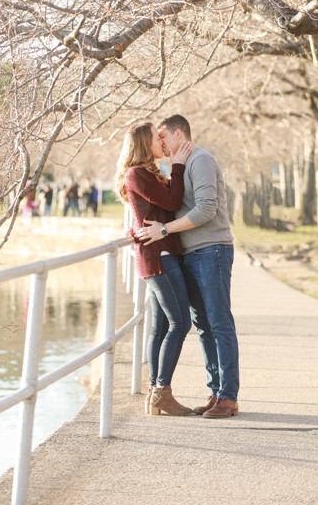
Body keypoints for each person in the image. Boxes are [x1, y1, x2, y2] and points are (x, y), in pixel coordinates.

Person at [136, 114, 241, 419]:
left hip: (212, 250)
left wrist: (166, 231)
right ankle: (215, 391)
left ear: (178, 134)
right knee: (203, 325)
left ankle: (229, 396)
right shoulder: (177, 166)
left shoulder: (201, 160)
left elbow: (207, 209)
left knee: (219, 322)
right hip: (190, 254)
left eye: (163, 137)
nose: (161, 143)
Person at [114, 122, 195, 416]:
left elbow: (158, 211)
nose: (162, 140)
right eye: (156, 137)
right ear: (143, 144)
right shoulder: (138, 174)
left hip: (161, 254)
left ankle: (154, 394)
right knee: (180, 324)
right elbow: (173, 202)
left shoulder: (148, 174)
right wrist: (177, 166)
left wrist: (135, 230)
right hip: (159, 258)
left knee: (161, 326)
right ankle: (162, 390)